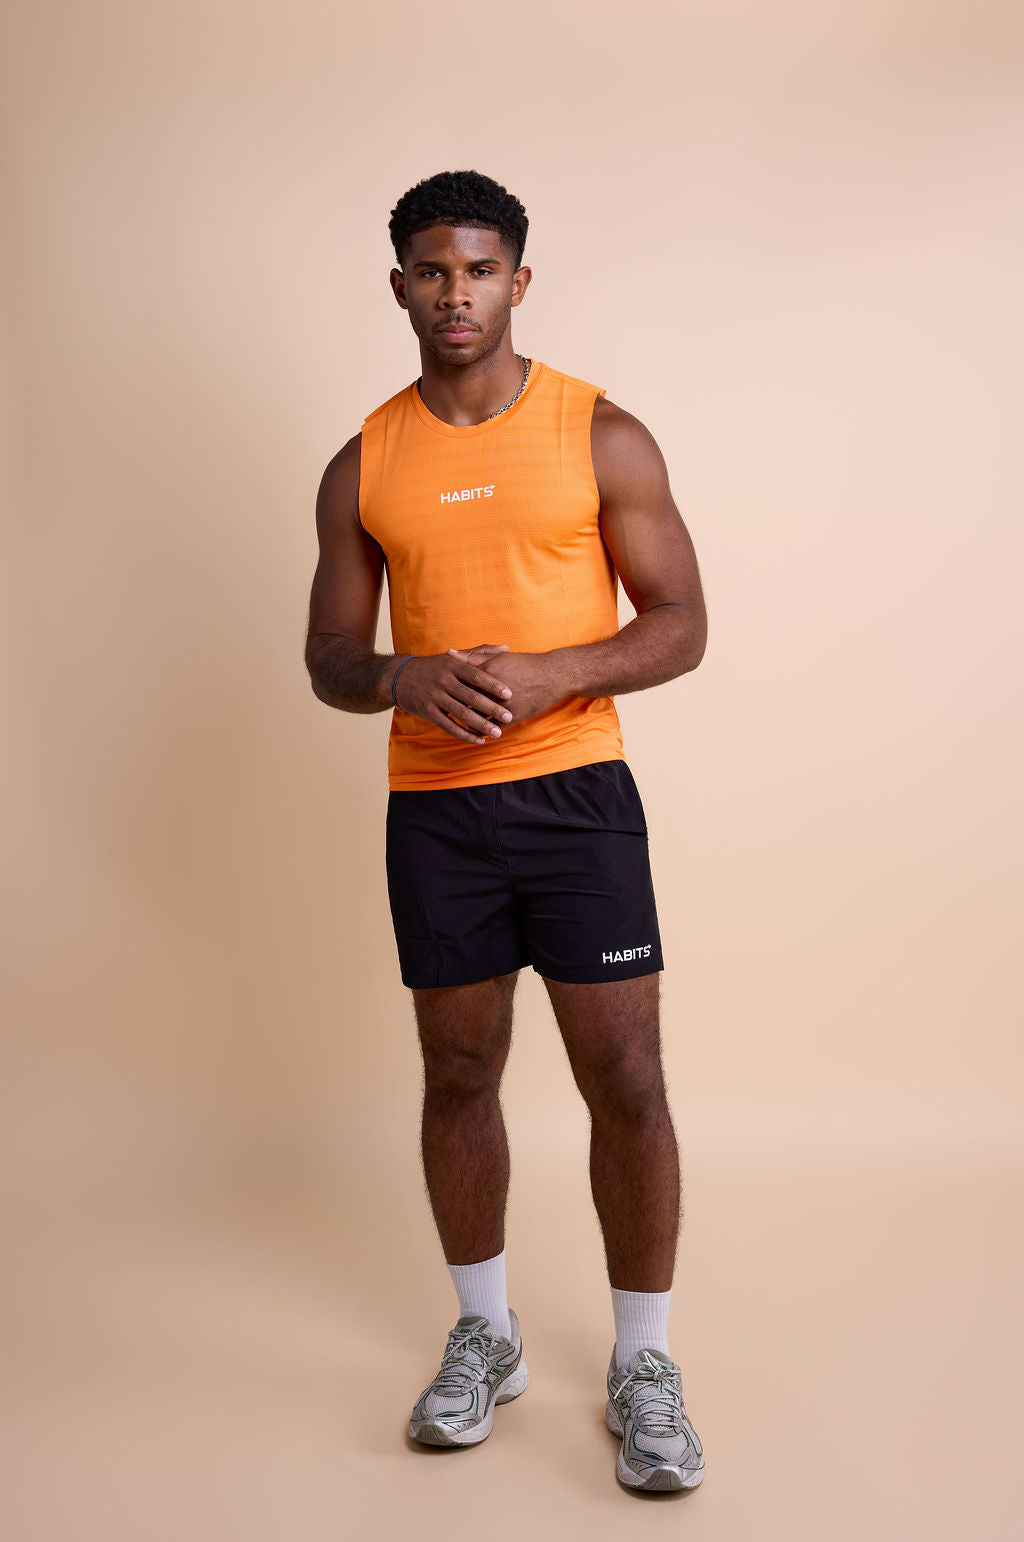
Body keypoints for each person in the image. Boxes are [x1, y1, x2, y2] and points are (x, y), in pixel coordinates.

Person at [304, 169, 708, 1493]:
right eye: (433, 270)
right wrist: (399, 675)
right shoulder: (364, 461)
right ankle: (487, 1333)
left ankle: (644, 1361)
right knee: (458, 1070)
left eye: (480, 269)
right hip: (434, 809)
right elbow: (328, 655)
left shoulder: (602, 434)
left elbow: (681, 623)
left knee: (625, 1076)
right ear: (400, 286)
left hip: (576, 797)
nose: (457, 293)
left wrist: (553, 674)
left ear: (518, 280)